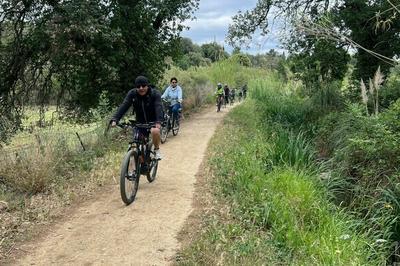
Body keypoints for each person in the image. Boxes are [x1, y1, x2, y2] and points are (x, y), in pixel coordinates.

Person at [111, 75, 163, 160]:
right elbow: (124, 106)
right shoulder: (132, 94)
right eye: (138, 86)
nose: (141, 88)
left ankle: (157, 150)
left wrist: (158, 121)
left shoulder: (154, 93)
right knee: (135, 146)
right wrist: (115, 119)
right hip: (140, 122)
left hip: (153, 120)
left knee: (155, 131)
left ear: (148, 86)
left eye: (143, 86)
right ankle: (132, 171)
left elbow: (158, 107)